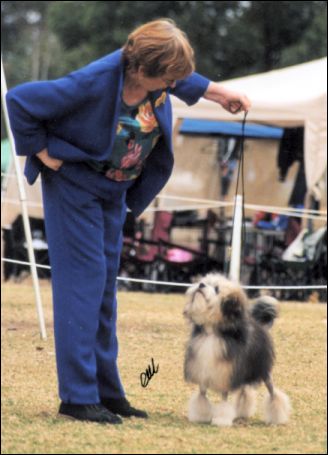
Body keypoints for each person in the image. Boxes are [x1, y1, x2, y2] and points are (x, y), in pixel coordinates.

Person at [6, 18, 251, 424]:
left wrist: (218, 92)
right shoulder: (94, 81)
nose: (174, 85)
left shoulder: (159, 76)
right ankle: (77, 397)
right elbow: (19, 101)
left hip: (114, 190)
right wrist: (43, 154)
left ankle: (107, 392)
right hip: (75, 187)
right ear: (143, 70)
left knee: (103, 291)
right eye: (169, 78)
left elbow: (183, 79)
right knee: (82, 288)